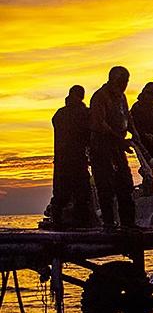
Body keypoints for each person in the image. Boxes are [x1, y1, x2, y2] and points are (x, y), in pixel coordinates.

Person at [89, 66, 136, 230]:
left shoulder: (122, 97)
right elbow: (99, 124)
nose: (125, 84)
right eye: (122, 81)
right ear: (113, 79)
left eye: (127, 81)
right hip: (101, 146)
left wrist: (135, 134)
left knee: (126, 184)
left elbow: (127, 117)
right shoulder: (100, 97)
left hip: (117, 146)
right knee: (106, 185)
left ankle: (128, 223)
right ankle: (109, 223)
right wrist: (119, 139)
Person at [47, 85, 94, 228]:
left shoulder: (59, 114)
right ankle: (81, 222)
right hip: (76, 159)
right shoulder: (83, 113)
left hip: (63, 160)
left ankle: (58, 221)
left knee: (62, 192)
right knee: (81, 192)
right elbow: (88, 133)